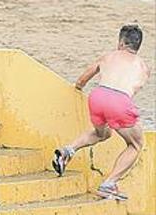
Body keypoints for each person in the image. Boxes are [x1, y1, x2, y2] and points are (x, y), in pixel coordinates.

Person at [52, 25, 150, 201]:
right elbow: (132, 89)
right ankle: (109, 184)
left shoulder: (108, 56)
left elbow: (81, 80)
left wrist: (79, 88)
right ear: (138, 46)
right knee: (136, 145)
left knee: (102, 133)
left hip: (97, 96)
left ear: (121, 42)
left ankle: (68, 150)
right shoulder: (142, 67)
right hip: (120, 101)